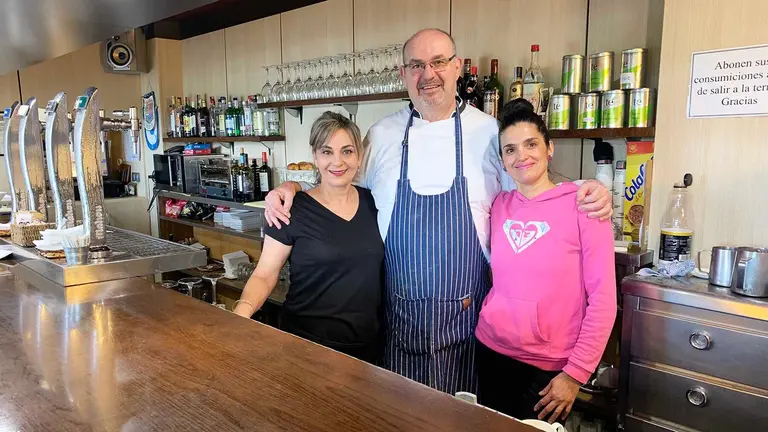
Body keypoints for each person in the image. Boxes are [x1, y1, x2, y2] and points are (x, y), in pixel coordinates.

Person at [262, 29, 612, 394]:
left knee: (461, 416)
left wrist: (584, 189)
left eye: (438, 62)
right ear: (403, 74)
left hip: (469, 328)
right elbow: (339, 184)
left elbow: (531, 188)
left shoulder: (489, 133)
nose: (428, 74)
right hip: (397, 322)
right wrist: (293, 187)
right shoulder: (381, 135)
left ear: (457, 67)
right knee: (397, 414)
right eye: (416, 65)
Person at [475, 99, 616, 422]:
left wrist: (575, 374)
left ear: (549, 148)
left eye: (531, 144)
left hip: (549, 368)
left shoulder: (584, 207)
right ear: (502, 161)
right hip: (491, 350)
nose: (521, 156)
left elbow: (604, 300)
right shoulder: (500, 206)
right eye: (510, 149)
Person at [233, 112, 384, 363]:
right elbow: (265, 274)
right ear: (315, 156)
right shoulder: (292, 209)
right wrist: (242, 312)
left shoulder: (375, 203)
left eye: (347, 151)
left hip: (367, 349)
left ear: (359, 156)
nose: (337, 162)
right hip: (305, 347)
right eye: (327, 152)